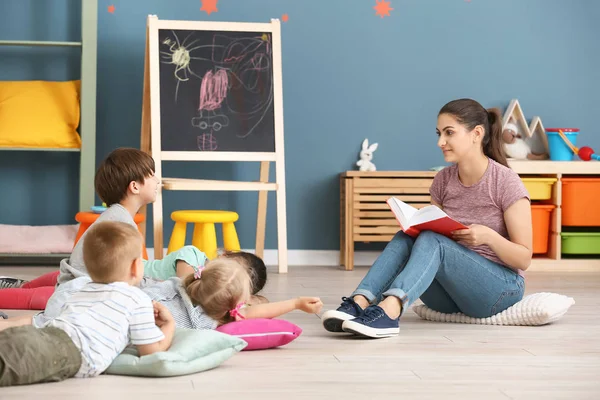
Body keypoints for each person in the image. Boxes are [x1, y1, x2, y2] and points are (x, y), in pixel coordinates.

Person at [322, 98, 532, 338]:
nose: (440, 142)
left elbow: (524, 258)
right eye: (439, 133)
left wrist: (488, 237)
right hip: (450, 297)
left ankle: (390, 311)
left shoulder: (505, 182)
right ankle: (360, 301)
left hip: (497, 292)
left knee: (433, 240)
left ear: (476, 134)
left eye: (449, 133)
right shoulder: (443, 179)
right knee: (407, 236)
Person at [0, 148, 269, 309]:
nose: (157, 180)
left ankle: (17, 286)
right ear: (135, 186)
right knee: (36, 299)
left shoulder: (118, 216)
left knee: (42, 288)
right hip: (82, 286)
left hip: (78, 276)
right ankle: (14, 290)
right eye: (152, 175)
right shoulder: (120, 222)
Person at [0, 221, 174, 386]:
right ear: (136, 266)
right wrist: (169, 325)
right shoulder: (138, 298)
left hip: (45, 333)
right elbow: (151, 353)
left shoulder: (83, 289)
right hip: (67, 351)